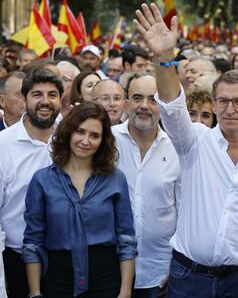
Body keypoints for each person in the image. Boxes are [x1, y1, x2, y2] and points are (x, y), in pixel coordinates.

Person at [134, 3, 238, 298]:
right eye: (223, 101)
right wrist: (164, 57)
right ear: (214, 104)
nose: (230, 109)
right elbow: (171, 107)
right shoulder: (194, 141)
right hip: (188, 277)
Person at [22, 102, 136, 298]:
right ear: (68, 132)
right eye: (80, 132)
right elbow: (33, 242)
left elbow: (126, 239)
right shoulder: (42, 180)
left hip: (106, 279)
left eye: (94, 135)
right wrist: (35, 293)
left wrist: (125, 292)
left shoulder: (116, 179)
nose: (85, 140)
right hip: (57, 279)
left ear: (103, 141)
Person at [112, 73, 181, 298]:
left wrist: (177, 268)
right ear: (126, 103)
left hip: (160, 273)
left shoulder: (177, 147)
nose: (144, 106)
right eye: (137, 98)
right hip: (110, 271)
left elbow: (184, 213)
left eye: (153, 99)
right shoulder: (106, 141)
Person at [0, 68, 63, 298]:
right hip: (15, 262)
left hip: (64, 260)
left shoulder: (71, 139)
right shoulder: (3, 146)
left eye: (52, 95)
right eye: (37, 94)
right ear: (25, 100)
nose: (45, 101)